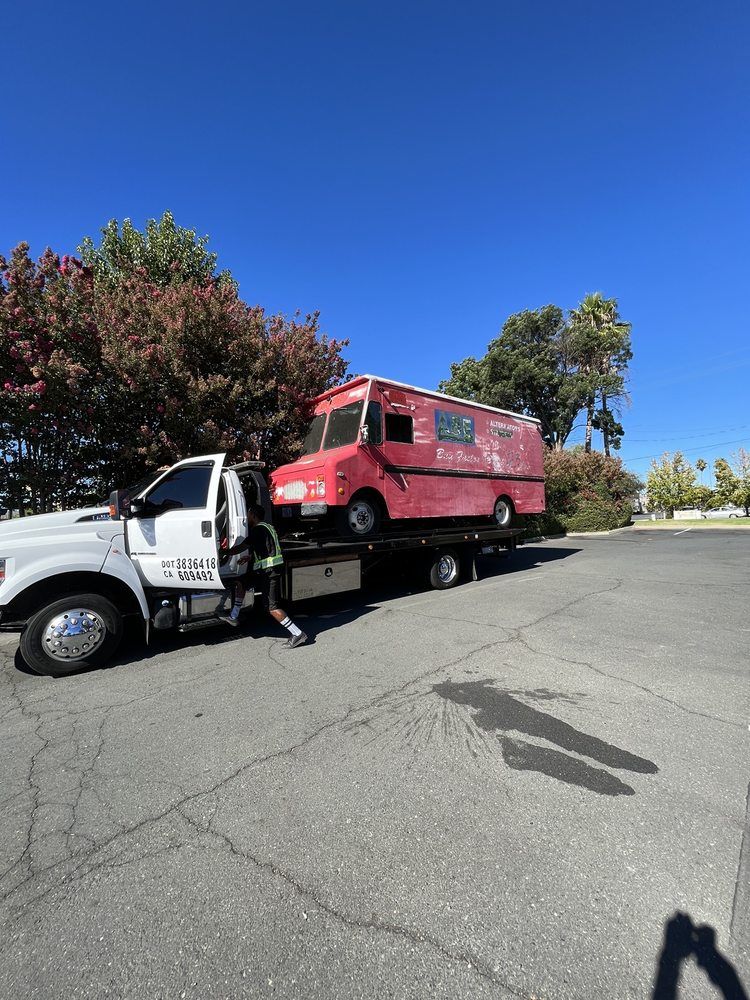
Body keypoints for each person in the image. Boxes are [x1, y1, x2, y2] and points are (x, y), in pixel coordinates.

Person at [220, 502, 308, 648]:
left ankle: (298, 633)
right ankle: (234, 616)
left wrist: (224, 552)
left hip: (269, 572)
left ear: (253, 516)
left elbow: (241, 547)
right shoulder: (268, 527)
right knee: (241, 582)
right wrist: (249, 558)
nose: (246, 516)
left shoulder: (257, 530)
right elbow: (267, 549)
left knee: (272, 607)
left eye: (248, 513)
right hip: (266, 570)